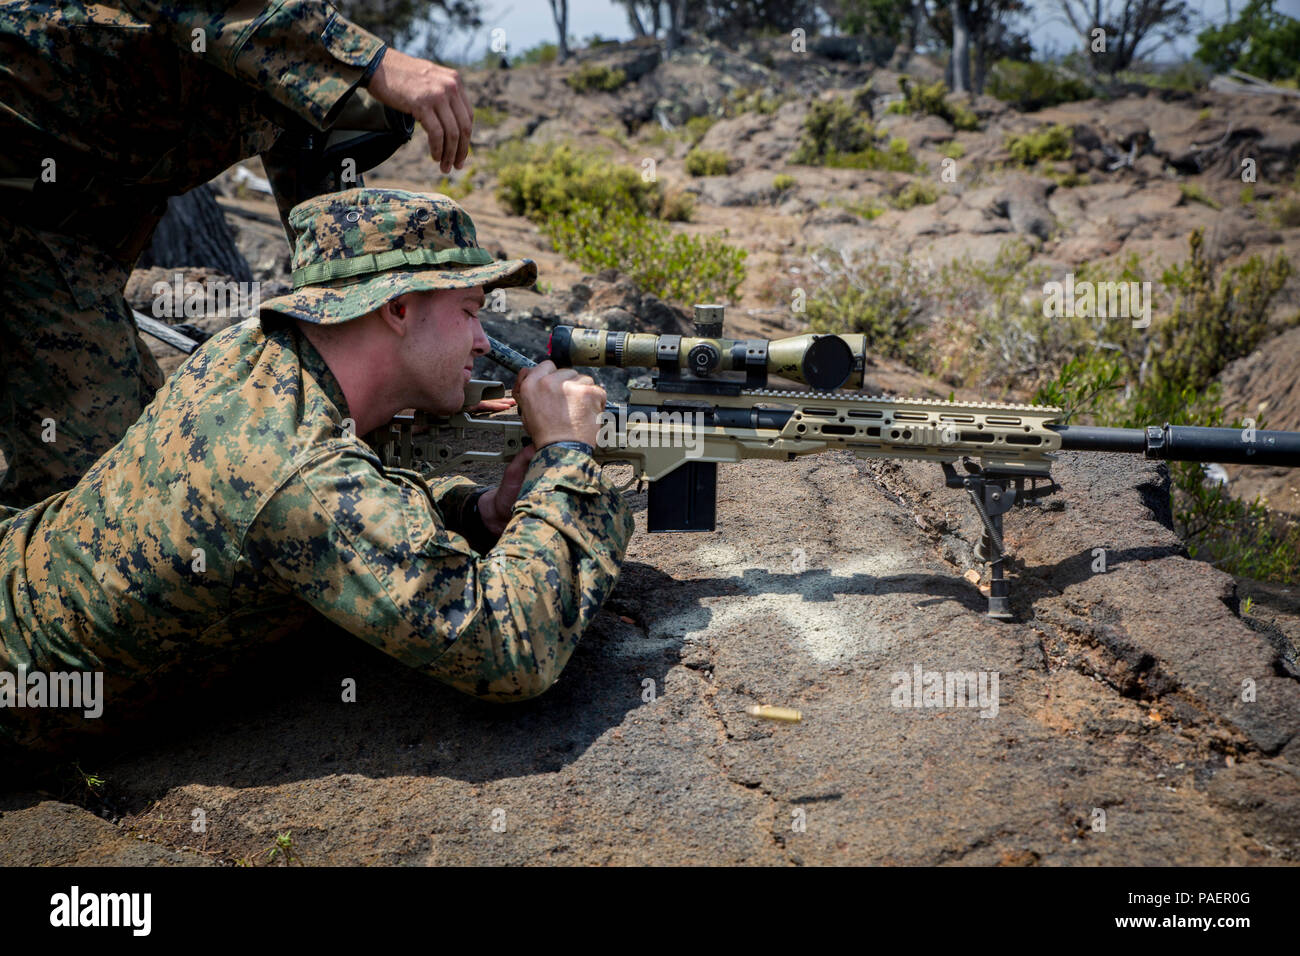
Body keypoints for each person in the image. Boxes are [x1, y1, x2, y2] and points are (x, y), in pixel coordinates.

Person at [0, 187, 637, 754]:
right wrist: (566, 460)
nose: (479, 340)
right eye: (469, 311)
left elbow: (354, 495)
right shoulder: (300, 470)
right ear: (397, 308)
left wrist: (477, 513)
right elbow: (510, 648)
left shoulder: (253, 349)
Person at [0, 0, 475, 510]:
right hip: (20, 190)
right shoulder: (289, 30)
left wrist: (414, 358)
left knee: (140, 454)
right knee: (90, 487)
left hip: (61, 238)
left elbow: (328, 246)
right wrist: (371, 61)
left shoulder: (302, 74)